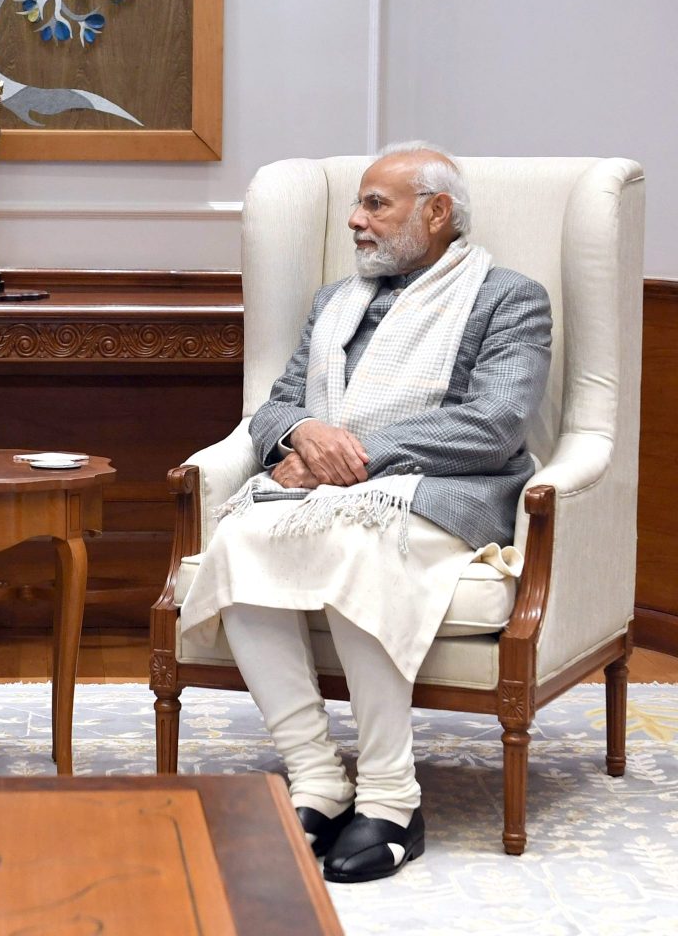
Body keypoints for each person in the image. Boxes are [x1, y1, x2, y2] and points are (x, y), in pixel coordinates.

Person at [179, 142, 551, 883]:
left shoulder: (509, 298)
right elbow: (276, 406)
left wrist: (357, 455)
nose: (354, 220)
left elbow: (496, 423)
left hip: (442, 495)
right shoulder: (334, 301)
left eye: (376, 204)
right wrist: (303, 434)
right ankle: (317, 777)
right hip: (324, 490)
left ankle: (391, 799)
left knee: (358, 545)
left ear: (437, 212)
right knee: (242, 540)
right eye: (357, 203)